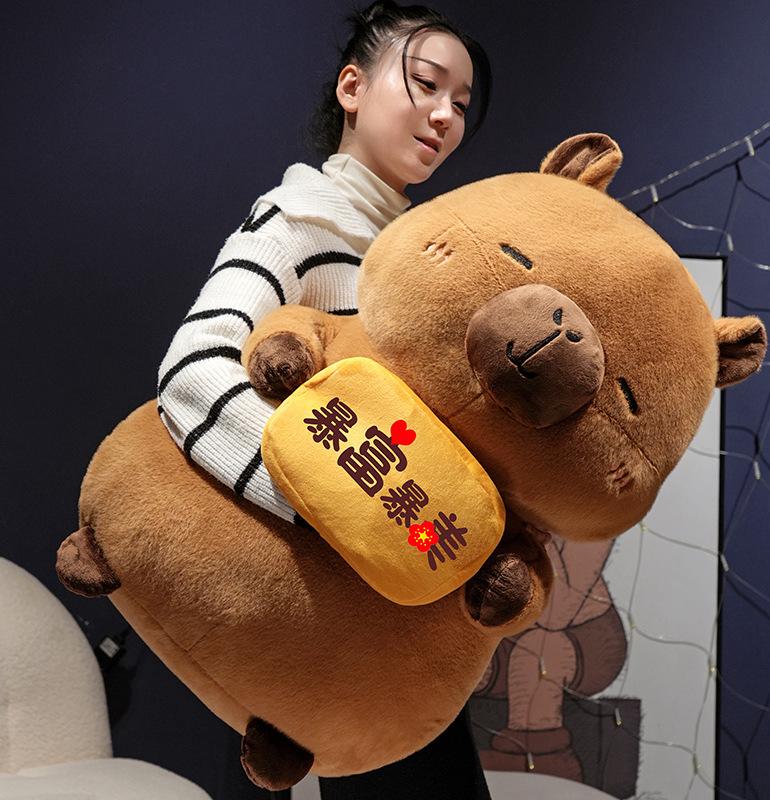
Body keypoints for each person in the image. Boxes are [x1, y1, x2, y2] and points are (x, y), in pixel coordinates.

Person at [156, 2, 493, 797]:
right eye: (425, 84)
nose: (445, 116)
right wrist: (333, 511)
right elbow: (191, 369)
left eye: (460, 102)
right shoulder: (296, 222)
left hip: (393, 620)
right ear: (352, 87)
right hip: (324, 616)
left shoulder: (409, 255)